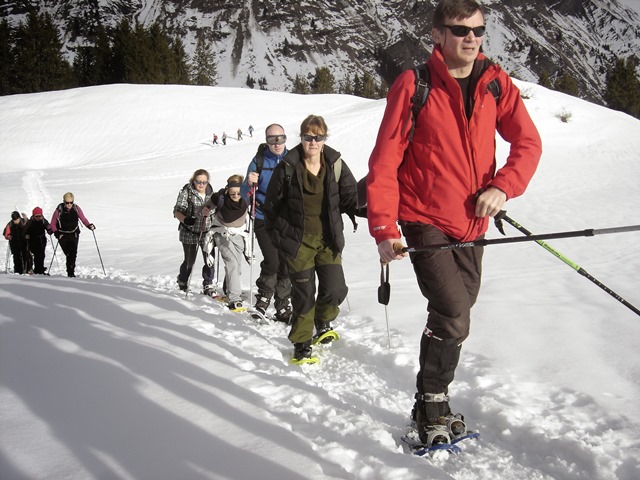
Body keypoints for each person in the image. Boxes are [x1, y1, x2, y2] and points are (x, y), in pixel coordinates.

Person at [366, 0, 542, 446]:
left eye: (479, 30)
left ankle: (428, 399)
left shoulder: (494, 83)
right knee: (454, 312)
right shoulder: (415, 84)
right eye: (461, 30)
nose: (472, 39)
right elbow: (386, 160)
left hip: (474, 224)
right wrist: (385, 227)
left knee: (454, 312)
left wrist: (503, 186)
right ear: (437, 35)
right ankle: (432, 405)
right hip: (424, 220)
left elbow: (527, 141)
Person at [263, 114, 360, 364]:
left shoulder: (335, 163)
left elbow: (351, 198)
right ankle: (302, 342)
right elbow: (271, 204)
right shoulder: (287, 166)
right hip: (298, 242)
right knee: (304, 293)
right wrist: (278, 237)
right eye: (308, 137)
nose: (313, 142)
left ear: (324, 138)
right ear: (302, 138)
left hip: (328, 240)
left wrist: (377, 210)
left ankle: (322, 319)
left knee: (336, 289)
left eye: (318, 137)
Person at [240, 123, 292, 322]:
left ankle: (282, 304)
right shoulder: (259, 161)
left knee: (286, 262)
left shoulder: (293, 159)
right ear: (266, 140)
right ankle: (264, 298)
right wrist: (249, 183)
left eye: (280, 138)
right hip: (263, 217)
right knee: (272, 259)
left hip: (287, 220)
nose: (277, 143)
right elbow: (245, 194)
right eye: (272, 139)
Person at [202, 175, 250, 311]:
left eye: (238, 193)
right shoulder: (220, 197)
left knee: (237, 267)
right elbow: (207, 206)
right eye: (232, 192)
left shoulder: (247, 197)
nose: (235, 195)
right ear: (228, 189)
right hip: (222, 234)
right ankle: (234, 298)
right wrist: (206, 209)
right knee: (232, 264)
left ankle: (228, 290)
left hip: (239, 235)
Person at [173, 169, 216, 294]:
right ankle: (182, 280)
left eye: (204, 182)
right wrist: (185, 220)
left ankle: (208, 284)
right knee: (189, 261)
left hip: (207, 232)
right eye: (198, 181)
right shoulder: (187, 192)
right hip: (189, 232)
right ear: (194, 181)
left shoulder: (211, 193)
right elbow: (177, 211)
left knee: (209, 259)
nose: (201, 184)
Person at [50, 193, 95, 277]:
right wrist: (56, 233)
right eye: (67, 203)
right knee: (69, 253)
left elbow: (83, 219)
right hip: (63, 235)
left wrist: (89, 225)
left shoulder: (76, 208)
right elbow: (52, 224)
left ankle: (71, 272)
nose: (69, 204)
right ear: (64, 202)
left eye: (71, 202)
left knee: (73, 253)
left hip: (74, 234)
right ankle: (70, 272)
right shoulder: (58, 211)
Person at [25, 207, 52, 275]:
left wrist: (49, 230)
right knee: (37, 255)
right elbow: (25, 231)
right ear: (33, 216)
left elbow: (49, 230)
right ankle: (38, 270)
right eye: (37, 216)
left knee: (42, 255)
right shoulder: (30, 222)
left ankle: (40, 268)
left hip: (42, 240)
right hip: (33, 241)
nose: (39, 217)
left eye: (40, 216)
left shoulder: (43, 220)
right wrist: (27, 235)